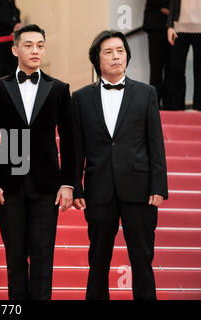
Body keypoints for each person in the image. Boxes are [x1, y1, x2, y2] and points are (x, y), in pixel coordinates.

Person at [72, 30, 168, 300]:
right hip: (98, 188)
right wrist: (76, 187)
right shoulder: (80, 99)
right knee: (98, 260)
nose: (116, 56)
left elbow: (155, 143)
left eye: (120, 51)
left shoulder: (146, 93)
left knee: (142, 258)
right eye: (108, 52)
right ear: (97, 59)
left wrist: (159, 185)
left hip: (139, 188)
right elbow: (77, 147)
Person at [0, 24, 75, 300]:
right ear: (15, 49)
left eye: (40, 45)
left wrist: (69, 183)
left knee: (44, 257)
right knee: (15, 257)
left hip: (47, 186)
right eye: (28, 45)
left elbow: (70, 141)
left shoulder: (59, 89)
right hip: (9, 187)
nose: (35, 50)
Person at [167, 0, 201, 110]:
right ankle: (178, 108)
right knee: (176, 68)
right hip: (179, 26)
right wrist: (170, 25)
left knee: (199, 70)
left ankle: (198, 107)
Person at [143, 0, 172, 108]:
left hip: (175, 24)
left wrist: (172, 10)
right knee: (156, 68)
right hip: (156, 21)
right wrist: (162, 7)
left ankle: (169, 105)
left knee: (173, 68)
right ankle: (154, 106)